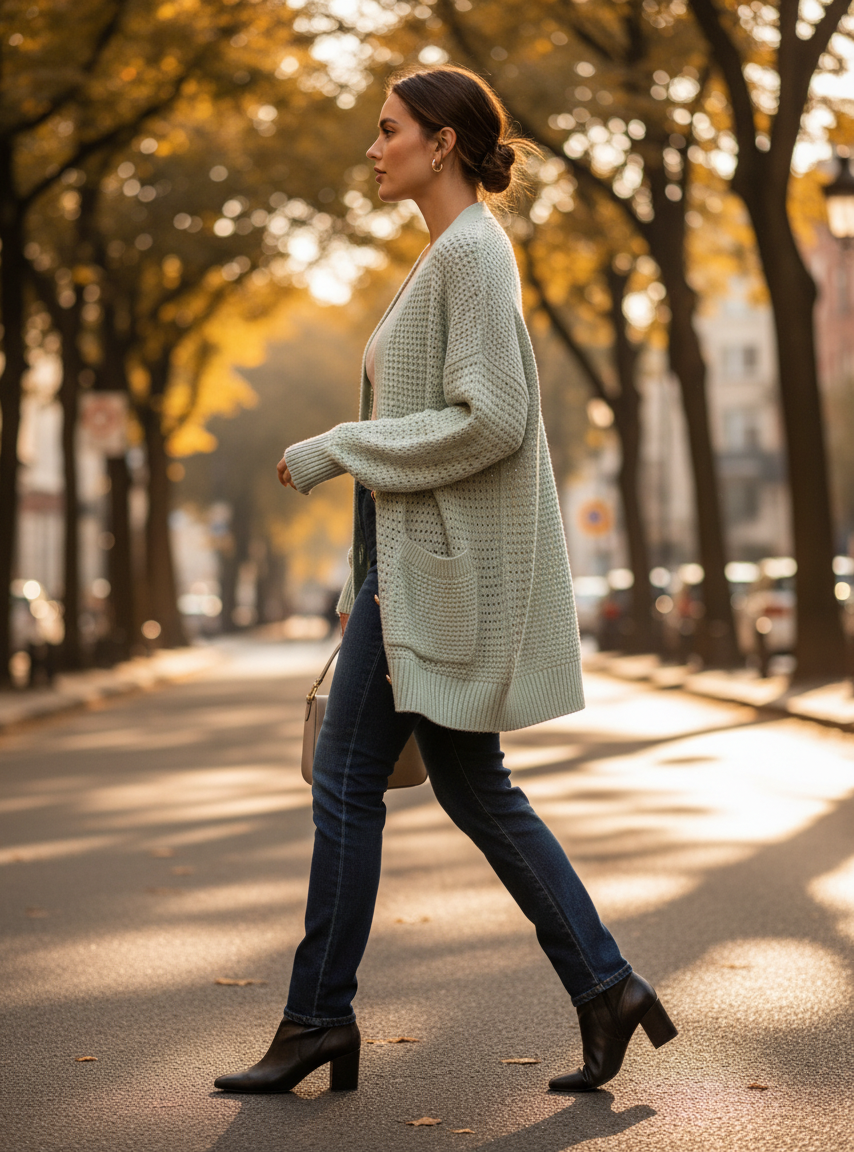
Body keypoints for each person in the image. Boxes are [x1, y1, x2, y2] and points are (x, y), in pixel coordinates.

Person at [214, 63, 677, 1098]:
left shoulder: (470, 253)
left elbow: (491, 418)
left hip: (430, 581)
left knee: (347, 783)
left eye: (389, 129)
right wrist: (364, 572)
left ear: (442, 143)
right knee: (475, 789)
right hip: (413, 575)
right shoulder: (448, 255)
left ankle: (317, 1018)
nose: (373, 148)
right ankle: (605, 987)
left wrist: (340, 444)